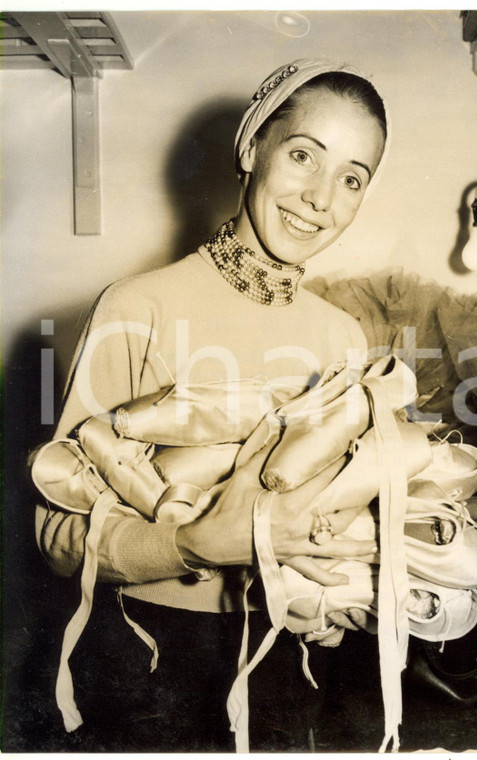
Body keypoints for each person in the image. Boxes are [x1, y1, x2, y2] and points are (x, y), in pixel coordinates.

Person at [34, 58, 388, 751]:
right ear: (252, 148)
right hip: (150, 662)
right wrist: (190, 543)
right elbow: (56, 533)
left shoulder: (344, 337)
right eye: (302, 156)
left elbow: (342, 515)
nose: (322, 196)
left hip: (290, 659)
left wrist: (336, 604)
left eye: (352, 178)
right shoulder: (136, 307)